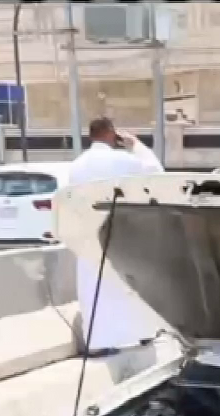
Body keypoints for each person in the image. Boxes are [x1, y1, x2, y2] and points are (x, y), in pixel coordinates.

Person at [68, 116, 165, 383]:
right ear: (112, 133)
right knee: (129, 288)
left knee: (95, 291)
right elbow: (156, 174)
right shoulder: (124, 160)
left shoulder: (77, 166)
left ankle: (100, 343)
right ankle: (141, 337)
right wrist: (136, 145)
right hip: (123, 233)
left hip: (90, 237)